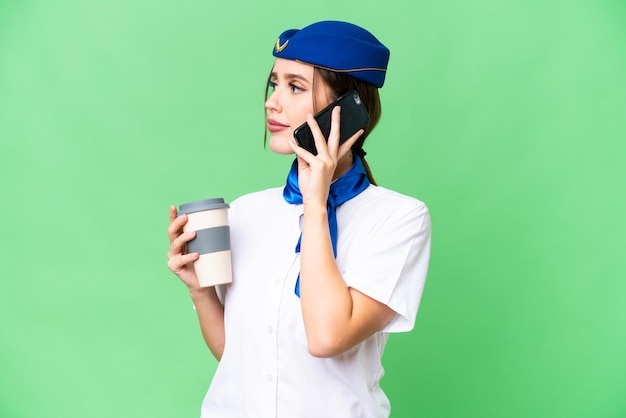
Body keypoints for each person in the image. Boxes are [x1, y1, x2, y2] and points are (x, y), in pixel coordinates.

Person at [167, 20, 432, 418]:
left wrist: (315, 202)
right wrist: (201, 291)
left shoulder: (399, 219)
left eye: (295, 87)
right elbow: (239, 358)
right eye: (275, 84)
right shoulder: (244, 212)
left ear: (348, 110)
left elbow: (327, 337)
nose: (272, 102)